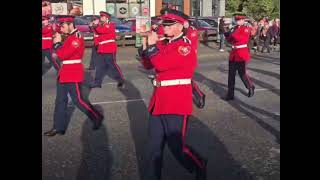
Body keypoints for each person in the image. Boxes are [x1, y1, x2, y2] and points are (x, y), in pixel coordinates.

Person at [139, 9, 207, 180]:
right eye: (164, 24)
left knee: (177, 147)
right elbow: (148, 65)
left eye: (168, 25)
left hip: (176, 102)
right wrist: (146, 44)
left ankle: (199, 164)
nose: (164, 27)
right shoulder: (165, 43)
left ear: (179, 27)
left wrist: (154, 46)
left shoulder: (184, 47)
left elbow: (161, 64)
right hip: (159, 100)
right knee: (153, 147)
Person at [44, 16, 104, 137]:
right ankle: (58, 127)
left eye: (63, 26)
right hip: (64, 73)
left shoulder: (76, 38)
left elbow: (62, 55)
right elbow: (59, 54)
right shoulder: (70, 37)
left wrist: (57, 44)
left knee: (78, 100)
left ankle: (97, 117)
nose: (61, 29)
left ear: (70, 24)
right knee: (60, 101)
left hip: (73, 73)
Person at [89, 11, 125, 89]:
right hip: (101, 49)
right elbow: (97, 33)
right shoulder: (101, 26)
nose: (101, 18)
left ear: (107, 18)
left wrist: (95, 25)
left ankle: (121, 79)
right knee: (100, 66)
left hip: (109, 48)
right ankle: (97, 82)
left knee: (113, 65)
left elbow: (101, 30)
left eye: (102, 17)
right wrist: (92, 26)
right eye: (100, 16)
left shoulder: (110, 25)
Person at [224, 15, 255, 101]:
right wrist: (226, 33)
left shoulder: (246, 28)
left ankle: (250, 86)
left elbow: (241, 38)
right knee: (231, 76)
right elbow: (230, 40)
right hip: (233, 54)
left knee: (242, 74)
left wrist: (232, 33)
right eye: (236, 20)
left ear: (243, 20)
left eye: (239, 20)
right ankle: (230, 94)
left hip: (241, 54)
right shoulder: (235, 28)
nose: (237, 21)